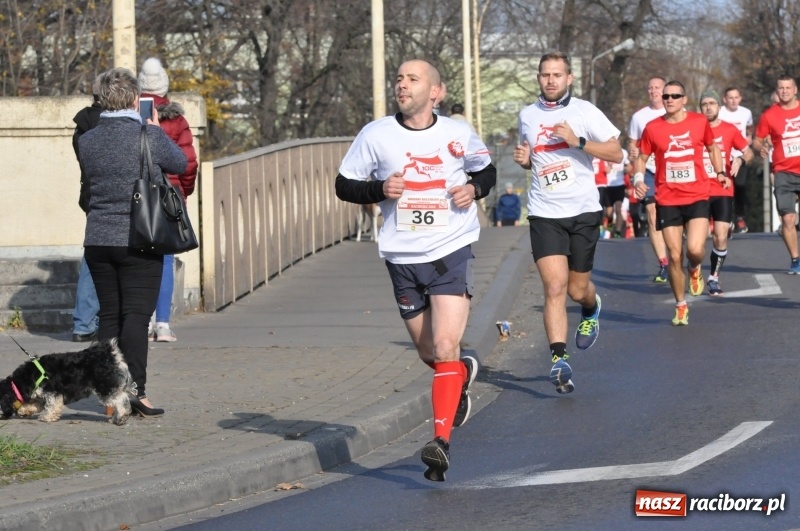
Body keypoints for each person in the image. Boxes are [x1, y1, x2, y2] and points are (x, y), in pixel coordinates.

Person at [335, 59, 496, 482]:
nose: (402, 85)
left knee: (445, 346)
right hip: (402, 257)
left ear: (435, 92)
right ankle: (460, 374)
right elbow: (343, 184)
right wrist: (378, 189)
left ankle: (439, 442)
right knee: (431, 354)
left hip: (450, 249)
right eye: (400, 79)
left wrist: (473, 188)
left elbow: (487, 171)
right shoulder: (375, 135)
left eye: (412, 79)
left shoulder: (457, 134)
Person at [513, 50, 622, 394]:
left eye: (557, 75)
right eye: (545, 74)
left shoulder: (584, 111)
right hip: (544, 212)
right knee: (554, 287)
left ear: (569, 78)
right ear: (539, 78)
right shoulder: (527, 115)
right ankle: (559, 361)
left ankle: (591, 307)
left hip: (583, 211)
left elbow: (617, 152)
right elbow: (537, 159)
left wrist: (579, 142)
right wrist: (526, 161)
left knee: (577, 290)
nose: (550, 80)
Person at [80, 67, 187, 416]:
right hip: (141, 237)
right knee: (137, 318)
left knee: (108, 317)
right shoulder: (147, 136)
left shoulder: (88, 140)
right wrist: (155, 130)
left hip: (98, 239)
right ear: (132, 98)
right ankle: (136, 392)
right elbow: (180, 163)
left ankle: (111, 395)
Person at [634, 80, 729, 325]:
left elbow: (712, 147)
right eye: (666, 96)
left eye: (675, 96)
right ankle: (680, 305)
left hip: (697, 195)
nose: (669, 99)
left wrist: (720, 172)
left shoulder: (699, 122)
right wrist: (637, 178)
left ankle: (695, 269)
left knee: (694, 250)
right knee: (674, 257)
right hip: (667, 197)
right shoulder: (653, 127)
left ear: (684, 99)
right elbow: (642, 156)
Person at [138, 58, 198, 342]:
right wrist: (184, 190)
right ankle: (162, 324)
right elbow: (188, 163)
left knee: (138, 258)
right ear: (164, 85)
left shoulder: (130, 114)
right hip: (168, 196)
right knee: (164, 259)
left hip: (137, 196)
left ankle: (144, 321)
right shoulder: (176, 120)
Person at [699, 89, 754, 295]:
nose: (708, 107)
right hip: (697, 190)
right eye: (704, 104)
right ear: (700, 107)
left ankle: (713, 277)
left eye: (712, 103)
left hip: (722, 188)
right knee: (699, 239)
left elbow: (748, 152)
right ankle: (695, 268)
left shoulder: (729, 130)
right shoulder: (694, 128)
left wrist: (740, 159)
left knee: (721, 236)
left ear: (718, 107)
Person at [753, 74, 800, 274]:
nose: (784, 91)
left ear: (795, 89)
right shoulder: (770, 115)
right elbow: (757, 140)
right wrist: (760, 148)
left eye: (788, 88)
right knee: (788, 219)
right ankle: (796, 259)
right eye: (781, 88)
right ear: (777, 90)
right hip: (783, 171)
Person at [71, 74, 103, 342]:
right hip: (114, 197)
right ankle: (93, 320)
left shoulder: (81, 126)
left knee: (92, 257)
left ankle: (83, 323)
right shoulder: (113, 124)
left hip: (90, 195)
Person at [629, 77, 669, 282]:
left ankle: (680, 258)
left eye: (657, 88)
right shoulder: (639, 117)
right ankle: (664, 264)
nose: (653, 91)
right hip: (650, 171)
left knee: (674, 218)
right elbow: (632, 145)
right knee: (652, 215)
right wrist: (633, 156)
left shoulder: (674, 113)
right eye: (650, 87)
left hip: (672, 170)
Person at [718, 86, 754, 234]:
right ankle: (726, 219)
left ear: (740, 98)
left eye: (736, 97)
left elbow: (750, 126)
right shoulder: (719, 112)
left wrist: (749, 136)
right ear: (724, 99)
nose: (733, 101)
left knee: (740, 185)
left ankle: (739, 216)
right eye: (730, 98)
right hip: (723, 155)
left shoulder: (746, 112)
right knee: (724, 188)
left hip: (740, 154)